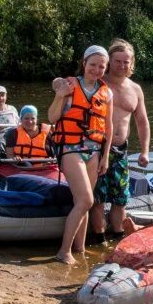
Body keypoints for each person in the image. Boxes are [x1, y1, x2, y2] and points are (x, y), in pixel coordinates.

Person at [49, 46, 114, 264]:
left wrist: (105, 156)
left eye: (101, 66)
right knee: (87, 200)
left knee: (82, 201)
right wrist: (59, 96)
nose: (96, 69)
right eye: (93, 64)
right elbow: (52, 117)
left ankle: (79, 249)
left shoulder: (107, 92)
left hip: (94, 151)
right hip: (71, 149)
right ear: (84, 63)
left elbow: (108, 127)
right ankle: (64, 251)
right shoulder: (68, 85)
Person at [88, 39, 151, 244]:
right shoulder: (98, 82)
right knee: (97, 198)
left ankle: (117, 237)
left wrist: (145, 151)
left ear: (132, 63)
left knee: (120, 198)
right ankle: (99, 239)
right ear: (110, 61)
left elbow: (142, 122)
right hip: (96, 148)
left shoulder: (135, 89)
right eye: (118, 61)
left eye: (126, 62)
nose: (122, 65)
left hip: (121, 151)